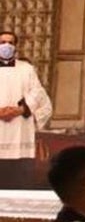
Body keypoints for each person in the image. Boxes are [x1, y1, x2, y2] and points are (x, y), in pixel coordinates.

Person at [0, 29, 53, 188]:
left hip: (20, 130)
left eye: (10, 42)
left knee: (18, 182)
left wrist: (19, 110)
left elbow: (38, 93)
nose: (6, 46)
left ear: (16, 46)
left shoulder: (26, 69)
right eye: (2, 42)